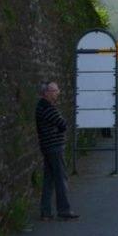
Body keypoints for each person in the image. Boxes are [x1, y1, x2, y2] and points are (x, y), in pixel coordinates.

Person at [35, 82, 79, 221]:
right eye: (53, 91)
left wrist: (59, 125)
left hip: (47, 146)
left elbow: (60, 124)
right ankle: (64, 210)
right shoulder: (47, 107)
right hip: (54, 146)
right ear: (46, 93)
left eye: (57, 90)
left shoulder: (41, 107)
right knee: (61, 178)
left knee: (49, 180)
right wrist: (60, 126)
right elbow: (62, 124)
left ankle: (46, 211)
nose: (57, 93)